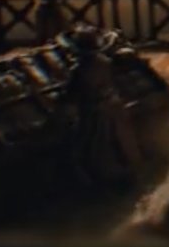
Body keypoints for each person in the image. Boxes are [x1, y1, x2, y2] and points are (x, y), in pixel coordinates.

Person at [62, 24, 146, 185]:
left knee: (89, 146)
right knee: (124, 141)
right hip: (114, 106)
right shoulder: (105, 62)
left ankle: (104, 178)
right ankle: (131, 169)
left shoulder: (78, 70)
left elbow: (70, 97)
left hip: (94, 113)